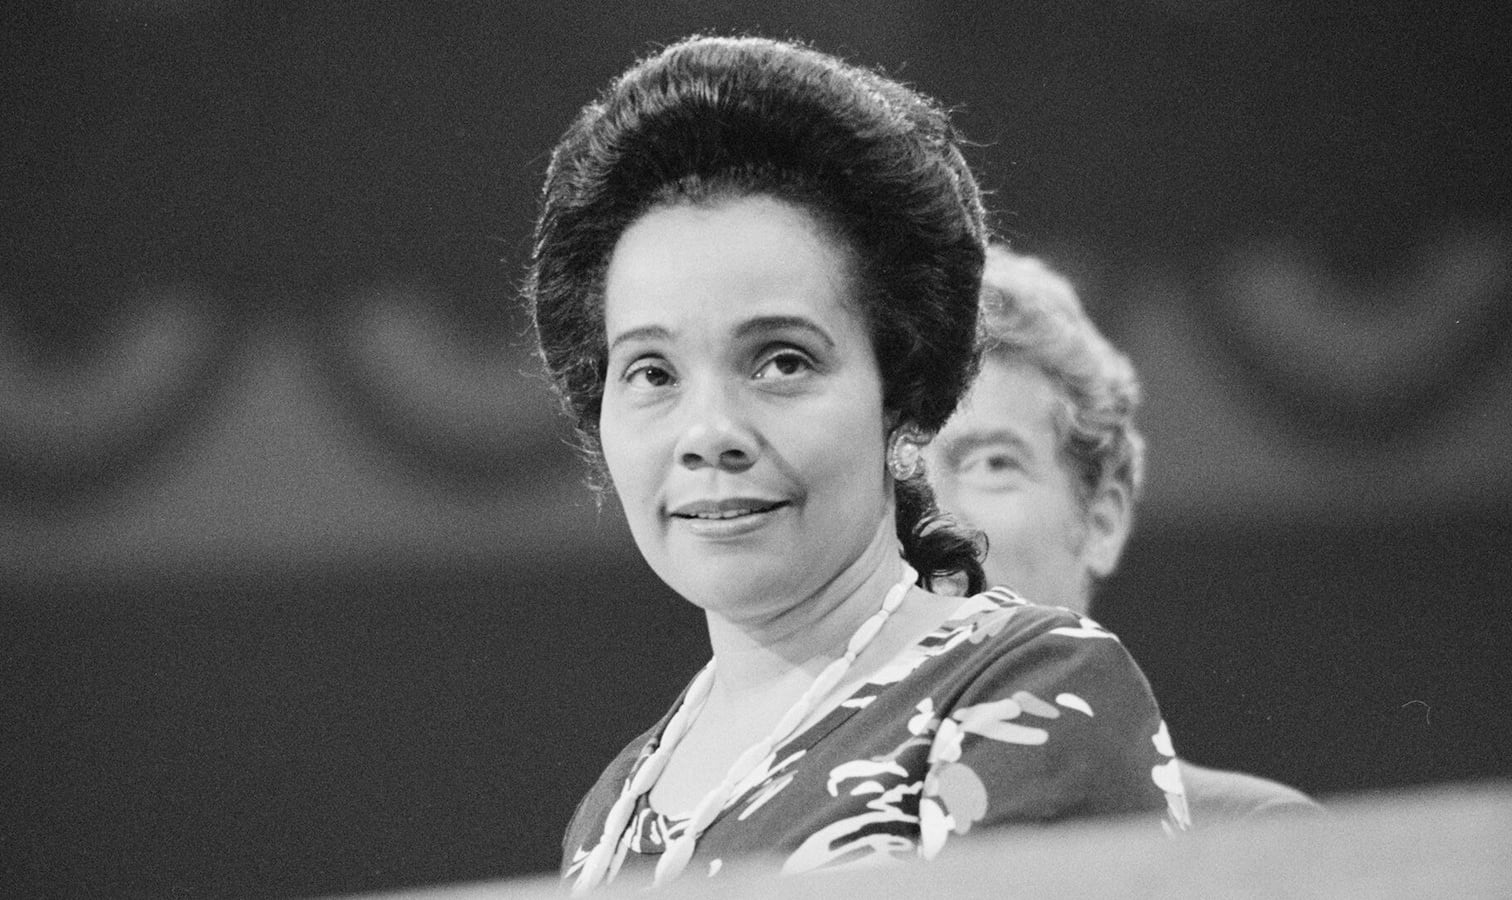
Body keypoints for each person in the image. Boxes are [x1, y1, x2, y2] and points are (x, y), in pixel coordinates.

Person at [525, 36, 1189, 894]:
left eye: (781, 361)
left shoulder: (1023, 689)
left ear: (903, 394)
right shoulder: (614, 809)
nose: (710, 431)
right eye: (652, 373)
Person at [926, 245, 1319, 826]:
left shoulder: (1258, 834)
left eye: (993, 463)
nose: (934, 519)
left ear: (1101, 521)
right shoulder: (771, 847)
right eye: (897, 473)